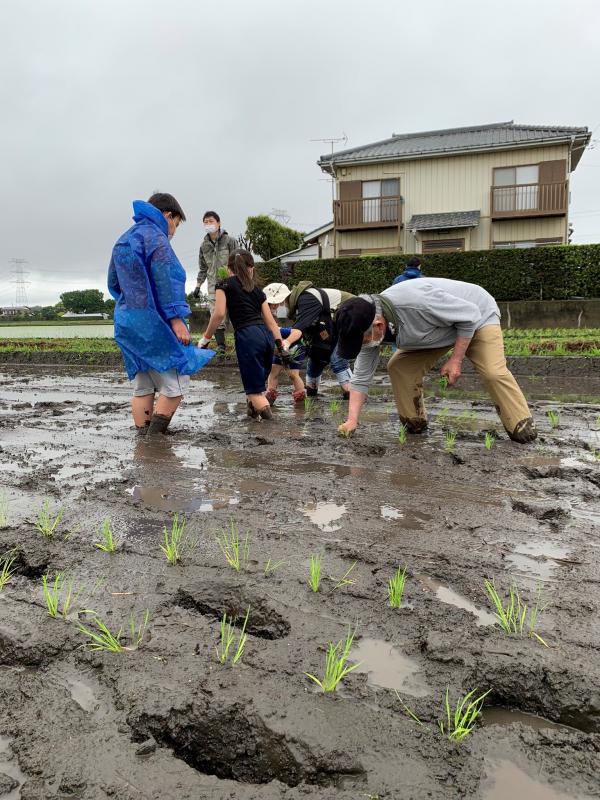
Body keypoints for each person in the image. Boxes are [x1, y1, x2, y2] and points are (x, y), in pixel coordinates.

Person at [335, 277, 537, 443]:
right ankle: (414, 423)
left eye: (361, 341)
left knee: (493, 372)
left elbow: (469, 316)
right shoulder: (366, 326)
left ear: (379, 325)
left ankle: (522, 428)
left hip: (477, 316)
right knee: (399, 367)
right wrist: (352, 420)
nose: (362, 345)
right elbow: (360, 378)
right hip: (438, 331)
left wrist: (456, 359)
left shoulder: (416, 304)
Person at [108, 193, 214, 435]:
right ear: (168, 215)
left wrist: (132, 306)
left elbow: (113, 283)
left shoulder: (123, 239)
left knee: (143, 384)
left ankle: (142, 437)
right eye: (176, 224)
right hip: (156, 323)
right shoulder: (157, 239)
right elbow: (168, 281)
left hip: (127, 320)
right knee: (175, 383)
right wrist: (176, 320)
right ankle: (155, 439)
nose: (174, 231)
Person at [199, 249, 287, 420]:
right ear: (251, 268)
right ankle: (252, 414)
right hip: (266, 337)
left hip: (248, 336)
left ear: (229, 268)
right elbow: (270, 322)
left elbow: (218, 315)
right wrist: (281, 346)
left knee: (254, 391)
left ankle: (273, 428)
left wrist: (206, 338)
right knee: (256, 382)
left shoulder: (223, 285)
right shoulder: (258, 291)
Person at [275, 281, 354, 398]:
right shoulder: (299, 304)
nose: (275, 310)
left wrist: (285, 343)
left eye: (275, 305)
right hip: (333, 325)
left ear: (283, 300)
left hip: (352, 317)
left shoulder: (306, 299)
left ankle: (352, 394)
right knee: (317, 356)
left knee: (337, 360)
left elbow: (298, 330)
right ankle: (311, 392)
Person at [194, 211, 238, 354]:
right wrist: (197, 286)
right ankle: (221, 346)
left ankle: (241, 343)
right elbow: (203, 268)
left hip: (232, 283)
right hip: (213, 286)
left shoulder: (229, 240)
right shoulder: (203, 246)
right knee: (216, 314)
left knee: (236, 312)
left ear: (218, 223)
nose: (208, 224)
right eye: (205, 222)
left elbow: (238, 261)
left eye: (211, 221)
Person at [263, 282, 306, 405]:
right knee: (273, 371)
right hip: (279, 349)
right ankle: (270, 396)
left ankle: (300, 398)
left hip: (295, 347)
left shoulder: (279, 331)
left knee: (292, 374)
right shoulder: (265, 330)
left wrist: (286, 343)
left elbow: (298, 332)